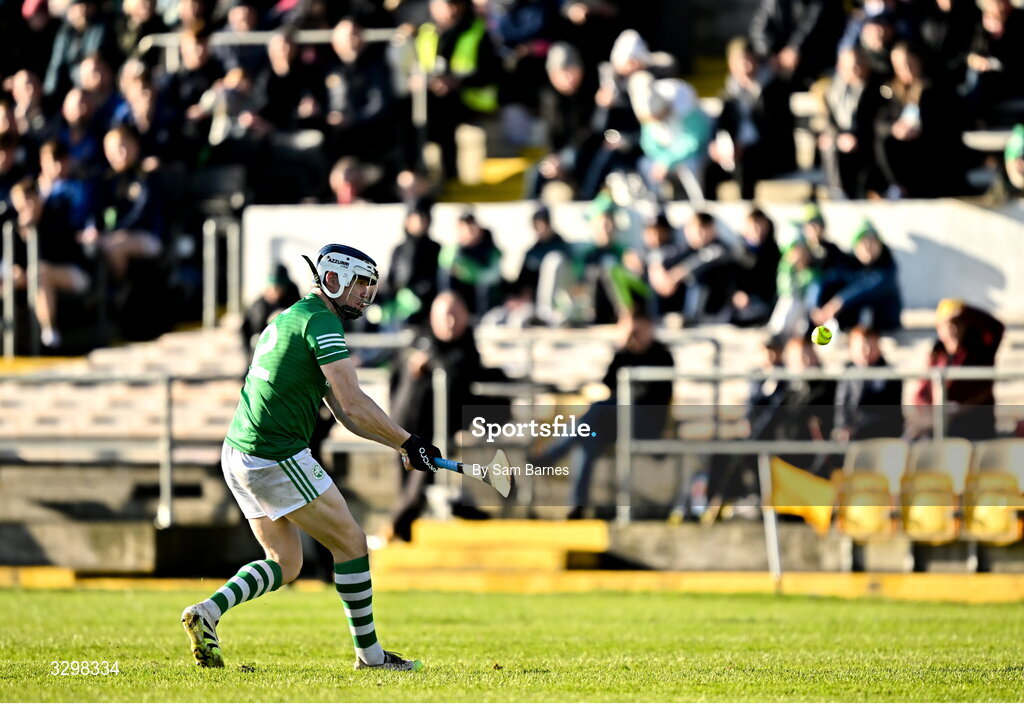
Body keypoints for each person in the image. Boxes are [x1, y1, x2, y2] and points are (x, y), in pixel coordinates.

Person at [180, 243, 436, 672]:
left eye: (369, 288)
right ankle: (371, 658)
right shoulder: (320, 322)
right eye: (359, 286)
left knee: (286, 563)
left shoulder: (291, 318)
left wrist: (401, 446)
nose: (365, 296)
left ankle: (207, 611)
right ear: (332, 279)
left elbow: (343, 413)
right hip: (275, 455)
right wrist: (411, 441)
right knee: (352, 543)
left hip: (238, 453)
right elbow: (353, 402)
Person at [532, 304, 674, 519]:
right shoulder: (624, 354)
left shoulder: (662, 355)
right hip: (616, 422)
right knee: (588, 437)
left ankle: (549, 457)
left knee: (598, 411)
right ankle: (578, 506)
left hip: (647, 424)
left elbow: (656, 399)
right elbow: (608, 383)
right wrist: (623, 349)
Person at [705, 38, 797, 201]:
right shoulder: (729, 92)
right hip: (736, 152)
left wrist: (745, 147)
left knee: (745, 163)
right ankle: (708, 218)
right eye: (740, 62)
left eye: (749, 60)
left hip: (771, 154)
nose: (745, 67)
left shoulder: (774, 89)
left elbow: (778, 131)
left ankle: (747, 214)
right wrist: (717, 144)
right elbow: (722, 124)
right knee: (709, 171)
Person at [8, 177, 92, 350]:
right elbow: (16, 261)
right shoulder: (16, 227)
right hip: (35, 277)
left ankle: (49, 332)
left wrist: (32, 232)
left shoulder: (55, 216)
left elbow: (55, 256)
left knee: (40, 273)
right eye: (20, 205)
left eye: (27, 202)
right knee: (15, 279)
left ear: (37, 198)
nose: (24, 209)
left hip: (74, 273)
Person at [907, 299, 1004, 441]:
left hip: (973, 425)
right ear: (939, 329)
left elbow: (996, 328)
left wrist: (964, 310)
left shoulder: (979, 352)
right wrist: (929, 410)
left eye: (958, 323)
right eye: (948, 324)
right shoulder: (936, 356)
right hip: (940, 424)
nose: (954, 329)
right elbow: (922, 392)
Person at [811, 219, 902, 332]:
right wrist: (815, 305)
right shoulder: (849, 263)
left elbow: (869, 287)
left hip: (885, 326)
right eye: (863, 243)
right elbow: (823, 281)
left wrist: (839, 301)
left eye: (872, 242)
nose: (868, 247)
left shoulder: (888, 265)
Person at [819, 47, 881, 199]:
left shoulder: (878, 88)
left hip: (867, 138)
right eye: (851, 66)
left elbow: (878, 120)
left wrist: (856, 137)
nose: (856, 69)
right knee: (828, 143)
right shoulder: (833, 91)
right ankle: (837, 191)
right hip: (843, 135)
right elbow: (829, 121)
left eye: (859, 64)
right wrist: (837, 136)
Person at [834, 325, 903, 441]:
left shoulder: (890, 375)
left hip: (881, 432)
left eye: (871, 346)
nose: (866, 351)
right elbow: (841, 404)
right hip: (852, 434)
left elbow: (892, 411)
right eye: (861, 347)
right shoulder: (847, 374)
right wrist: (843, 427)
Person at [728, 207, 779, 326]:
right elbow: (730, 279)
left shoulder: (773, 251)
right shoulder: (738, 251)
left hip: (763, 301)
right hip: (741, 301)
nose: (758, 231)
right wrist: (736, 294)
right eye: (755, 226)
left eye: (762, 226)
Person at [241, 263, 301, 354]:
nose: (275, 291)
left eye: (279, 287)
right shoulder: (260, 306)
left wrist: (284, 315)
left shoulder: (293, 296)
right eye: (272, 287)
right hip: (264, 347)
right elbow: (247, 329)